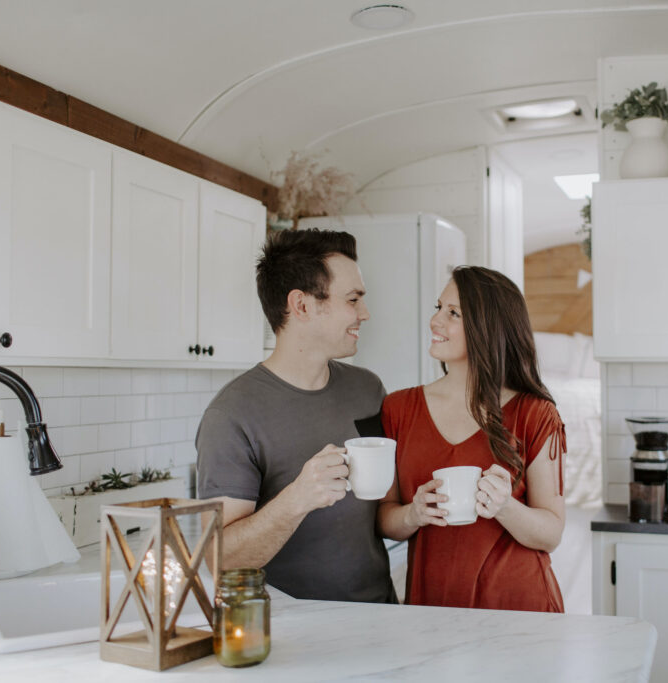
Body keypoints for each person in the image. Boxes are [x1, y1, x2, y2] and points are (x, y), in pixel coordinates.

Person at [196, 228, 396, 603]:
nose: (364, 314)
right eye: (353, 299)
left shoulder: (368, 390)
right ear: (301, 306)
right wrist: (298, 498)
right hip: (292, 636)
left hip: (381, 616)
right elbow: (219, 560)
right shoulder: (231, 414)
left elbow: (385, 509)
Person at [377, 266, 566, 612]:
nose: (435, 321)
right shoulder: (398, 408)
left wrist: (505, 507)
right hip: (434, 604)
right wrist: (414, 514)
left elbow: (551, 532)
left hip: (520, 608)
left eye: (452, 313)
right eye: (438, 307)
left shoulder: (535, 414)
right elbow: (385, 517)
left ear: (486, 328)